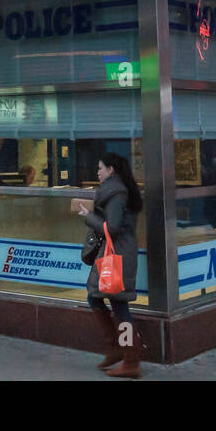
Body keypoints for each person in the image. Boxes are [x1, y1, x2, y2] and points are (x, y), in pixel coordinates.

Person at [75, 152, 143, 379]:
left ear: (111, 170)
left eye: (101, 168)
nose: (98, 172)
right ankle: (115, 350)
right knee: (95, 297)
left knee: (119, 304)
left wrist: (88, 216)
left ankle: (131, 360)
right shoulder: (118, 190)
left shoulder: (117, 193)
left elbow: (112, 228)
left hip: (117, 256)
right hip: (116, 254)